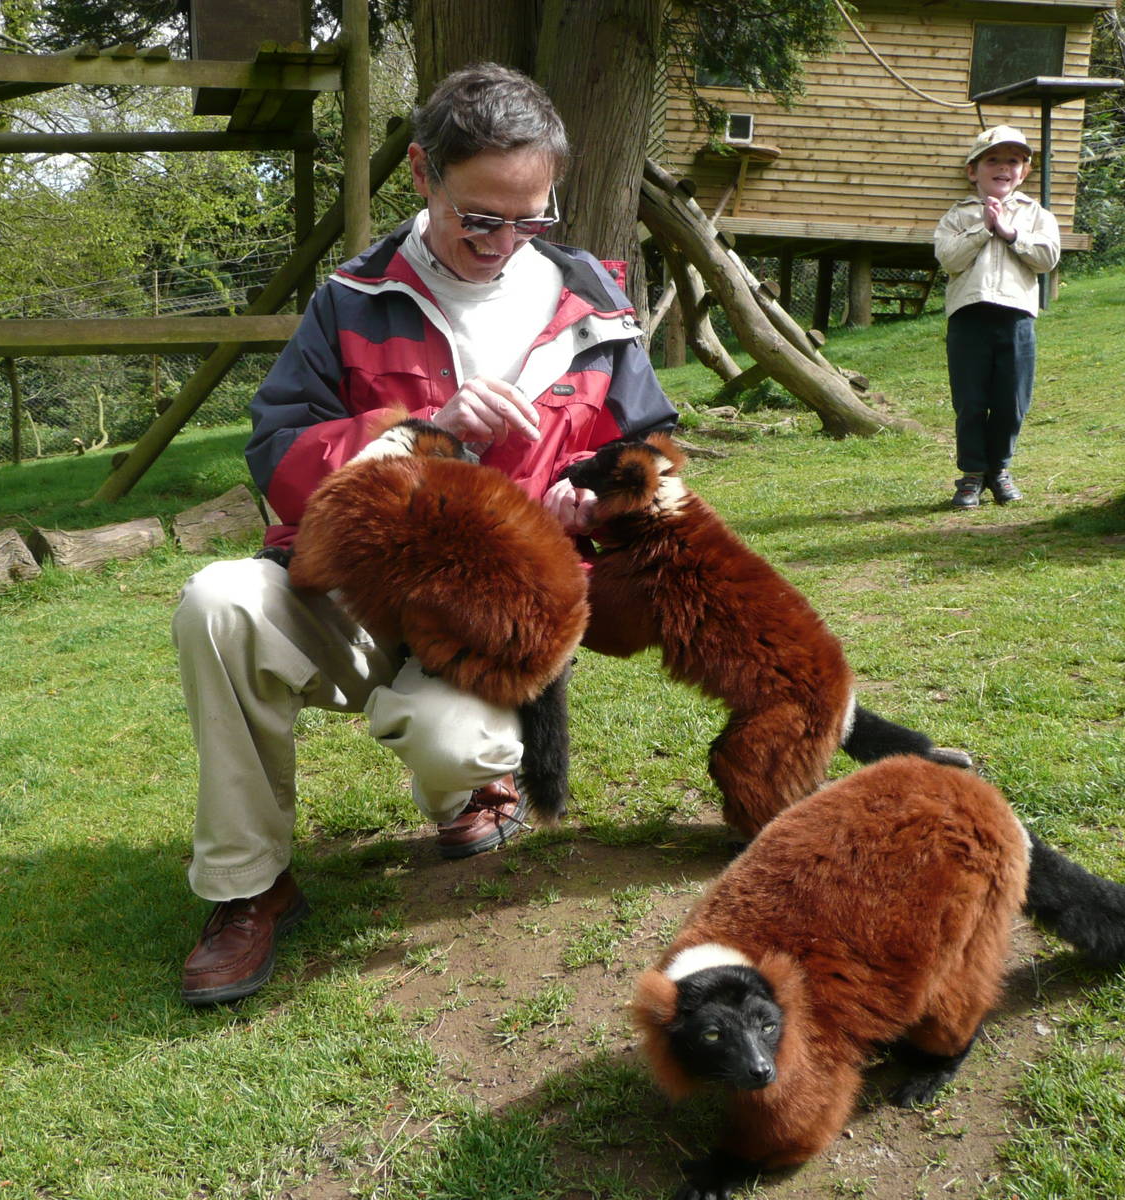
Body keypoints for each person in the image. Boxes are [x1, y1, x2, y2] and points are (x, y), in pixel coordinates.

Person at [171, 63, 678, 1006]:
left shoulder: (595, 308)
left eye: (531, 219)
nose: (503, 243)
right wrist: (420, 431)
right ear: (421, 174)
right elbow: (276, 460)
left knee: (455, 743)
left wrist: (596, 507)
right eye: (480, 217)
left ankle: (470, 778)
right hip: (349, 593)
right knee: (216, 602)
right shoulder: (351, 299)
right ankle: (249, 889)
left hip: (492, 622)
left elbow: (654, 461)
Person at [933, 125, 1061, 509]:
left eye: (1014, 161)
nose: (1004, 167)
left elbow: (1046, 259)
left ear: (1023, 172)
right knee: (971, 402)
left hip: (1016, 320)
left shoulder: (1037, 215)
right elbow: (949, 259)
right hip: (968, 318)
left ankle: (999, 471)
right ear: (974, 170)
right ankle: (972, 474)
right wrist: (981, 229)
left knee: (1012, 402)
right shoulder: (956, 217)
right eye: (993, 159)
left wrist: (1008, 232)